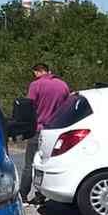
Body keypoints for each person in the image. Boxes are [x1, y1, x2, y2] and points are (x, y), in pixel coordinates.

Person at [21, 61, 72, 202]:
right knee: (46, 164)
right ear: (49, 71)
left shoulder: (35, 85)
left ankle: (23, 195)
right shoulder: (63, 85)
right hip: (56, 131)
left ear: (38, 71)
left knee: (29, 164)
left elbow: (28, 107)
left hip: (38, 129)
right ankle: (41, 195)